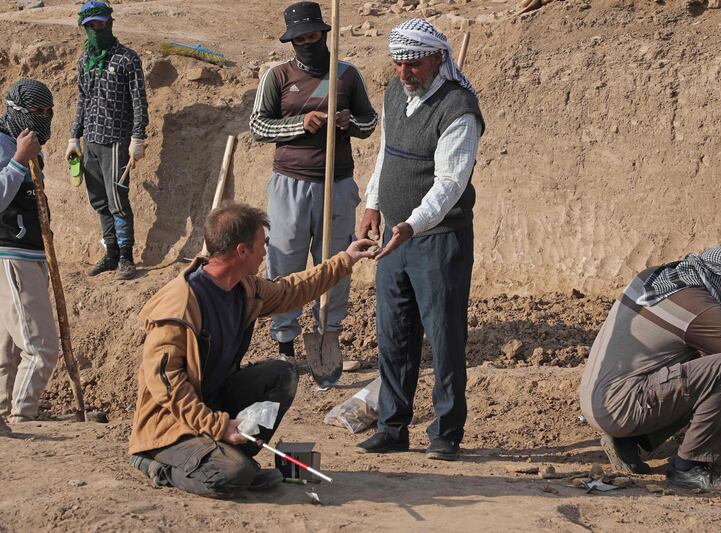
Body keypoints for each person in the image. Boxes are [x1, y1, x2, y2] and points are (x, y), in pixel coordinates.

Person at [128, 203, 375, 498]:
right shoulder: (178, 307)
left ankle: (234, 454)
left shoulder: (244, 287)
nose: (265, 252)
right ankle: (157, 465)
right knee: (233, 476)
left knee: (281, 373)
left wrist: (346, 259)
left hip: (213, 403)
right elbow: (167, 387)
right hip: (170, 426)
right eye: (262, 245)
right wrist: (218, 426)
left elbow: (291, 290)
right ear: (242, 251)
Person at [355, 19, 484, 461]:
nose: (404, 72)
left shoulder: (459, 109)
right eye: (398, 63)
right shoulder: (396, 93)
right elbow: (386, 152)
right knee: (394, 336)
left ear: (436, 57)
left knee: (445, 338)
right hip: (395, 236)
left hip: (438, 239)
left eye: (413, 63)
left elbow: (449, 184)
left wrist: (411, 224)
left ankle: (447, 432)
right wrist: (373, 203)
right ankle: (392, 427)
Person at [249, 1, 377, 361]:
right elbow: (258, 126)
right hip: (289, 184)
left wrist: (347, 123)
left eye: (314, 35)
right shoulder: (276, 77)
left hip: (337, 185)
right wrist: (299, 124)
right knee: (284, 260)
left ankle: (328, 334)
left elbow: (369, 124)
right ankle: (285, 343)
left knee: (336, 261)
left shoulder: (347, 75)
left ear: (324, 33)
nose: (308, 42)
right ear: (292, 41)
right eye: (301, 38)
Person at [579, 247, 721, 494]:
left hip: (596, 400)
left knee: (693, 364)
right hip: (621, 408)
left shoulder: (652, 277)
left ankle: (628, 441)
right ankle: (690, 467)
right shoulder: (701, 309)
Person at [65, 1, 149, 280]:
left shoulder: (127, 59)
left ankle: (127, 258)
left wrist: (138, 137)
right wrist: (73, 137)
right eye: (91, 26)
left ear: (110, 23)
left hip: (116, 140)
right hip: (91, 141)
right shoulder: (84, 60)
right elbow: (82, 100)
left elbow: (139, 102)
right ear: (84, 28)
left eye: (100, 24)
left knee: (118, 199)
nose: (96, 29)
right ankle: (111, 253)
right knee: (100, 201)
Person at [0, 80, 59, 425]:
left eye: (47, 113)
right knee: (41, 348)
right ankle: (22, 416)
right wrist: (19, 161)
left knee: (7, 351)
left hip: (31, 254)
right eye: (36, 112)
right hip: (12, 252)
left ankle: (4, 416)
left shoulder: (30, 146)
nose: (43, 119)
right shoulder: (8, 145)